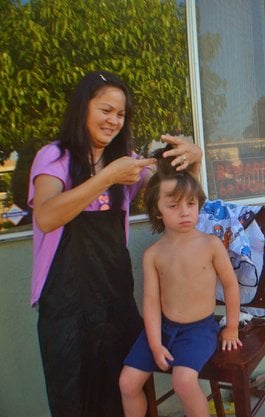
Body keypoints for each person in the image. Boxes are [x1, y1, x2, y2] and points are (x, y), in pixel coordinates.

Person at [28, 70, 202, 417]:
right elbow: (46, 217)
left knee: (124, 394)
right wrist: (106, 177)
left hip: (114, 301)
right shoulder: (54, 157)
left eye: (120, 115)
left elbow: (176, 201)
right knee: (73, 398)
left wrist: (195, 160)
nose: (113, 121)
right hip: (65, 307)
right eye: (105, 110)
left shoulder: (128, 163)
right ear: (83, 108)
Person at [119, 146, 243, 417]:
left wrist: (231, 327)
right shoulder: (153, 255)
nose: (185, 212)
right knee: (127, 383)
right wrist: (153, 343)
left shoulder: (211, 245)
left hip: (199, 330)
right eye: (174, 205)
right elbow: (151, 302)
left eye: (191, 204)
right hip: (162, 329)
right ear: (158, 210)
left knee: (183, 382)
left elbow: (231, 285)